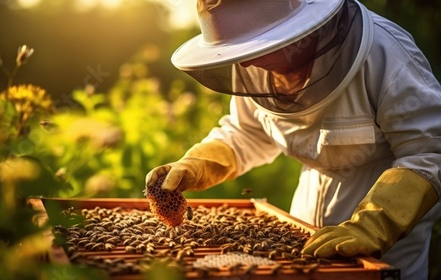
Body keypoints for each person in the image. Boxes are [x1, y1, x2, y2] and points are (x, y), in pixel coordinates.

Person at [145, 0, 441, 279]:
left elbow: (430, 151)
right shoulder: (255, 65)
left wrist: (376, 224)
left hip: (389, 245)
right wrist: (198, 163)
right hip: (300, 228)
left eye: (254, 46)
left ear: (296, 29)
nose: (246, 64)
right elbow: (248, 132)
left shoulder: (384, 52)